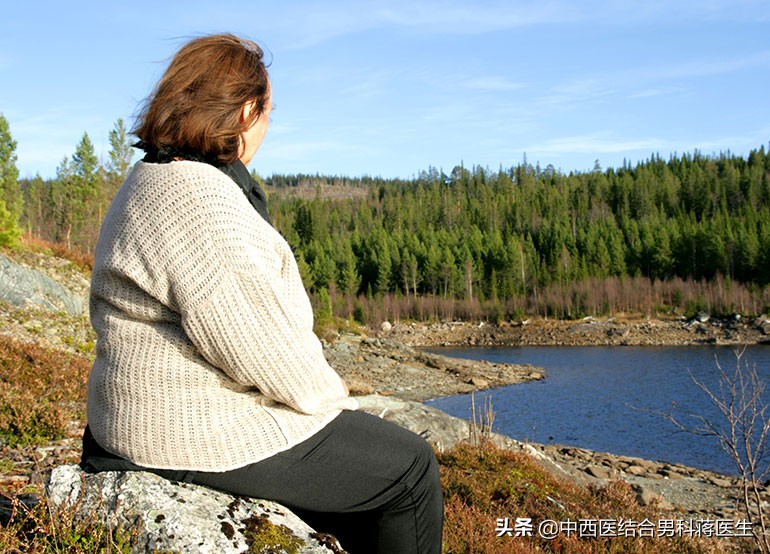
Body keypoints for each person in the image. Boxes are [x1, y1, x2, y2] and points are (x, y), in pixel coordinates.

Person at [80, 33, 443, 554]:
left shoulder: (153, 176)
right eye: (269, 112)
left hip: (133, 414)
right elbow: (254, 343)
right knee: (410, 470)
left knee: (357, 476)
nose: (268, 126)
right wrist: (329, 396)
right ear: (247, 111)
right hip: (181, 429)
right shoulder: (196, 198)